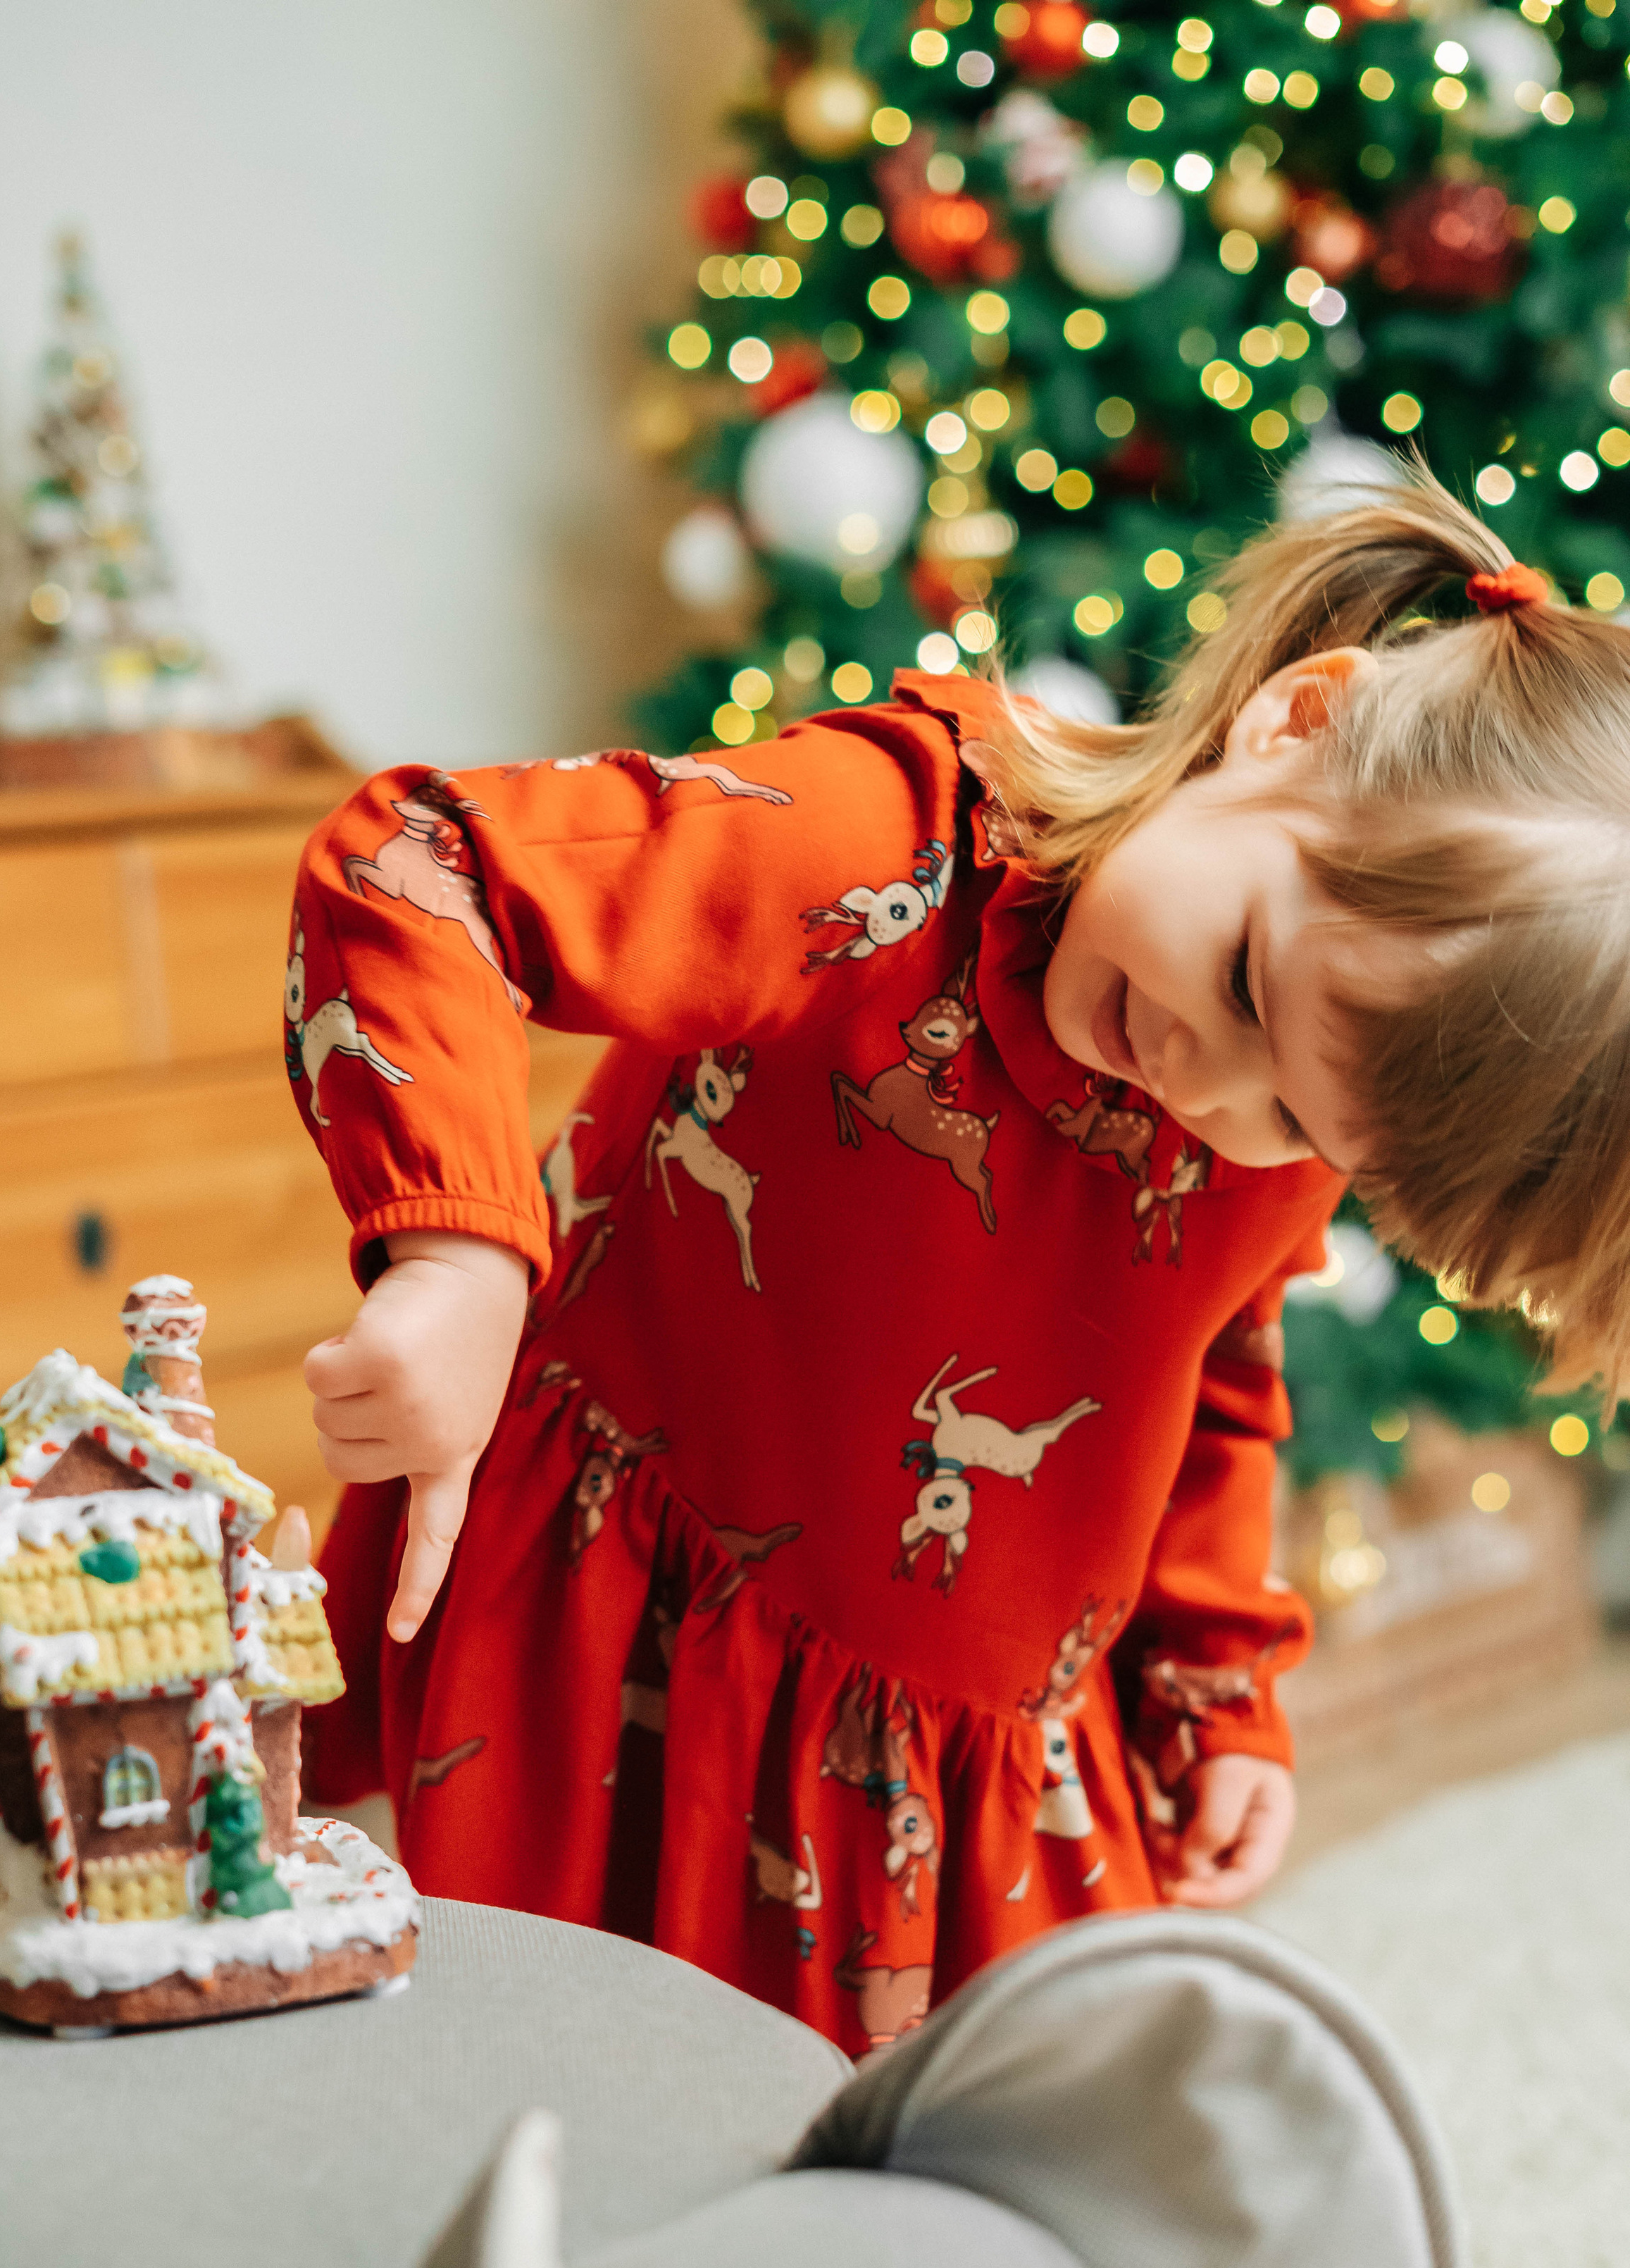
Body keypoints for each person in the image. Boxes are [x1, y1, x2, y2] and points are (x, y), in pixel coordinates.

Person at [287, 473, 1627, 2050]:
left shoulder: (1272, 1127)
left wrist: (1216, 1686)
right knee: (596, 2079)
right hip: (642, 1655)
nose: (1208, 1089)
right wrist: (456, 1260)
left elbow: (1211, 1372)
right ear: (1294, 721)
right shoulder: (879, 849)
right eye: (1243, 985)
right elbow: (423, 865)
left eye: (1296, 1118)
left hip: (971, 1774)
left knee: (972, 2144)